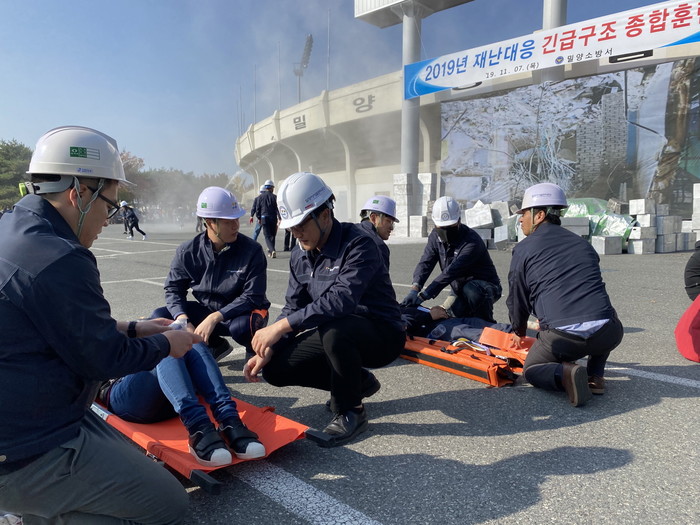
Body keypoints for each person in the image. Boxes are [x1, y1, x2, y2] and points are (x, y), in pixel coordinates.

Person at [0, 126, 201, 523]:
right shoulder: (60, 257)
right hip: (25, 445)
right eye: (109, 205)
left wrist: (133, 327)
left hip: (27, 411)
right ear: (80, 193)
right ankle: (28, 509)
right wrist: (168, 344)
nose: (109, 220)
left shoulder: (13, 227)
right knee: (169, 505)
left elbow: (52, 321)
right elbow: (104, 359)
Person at [244, 172, 405, 447]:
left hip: (381, 334)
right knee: (275, 368)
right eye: (291, 228)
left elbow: (341, 300)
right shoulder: (300, 253)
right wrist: (271, 345)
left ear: (325, 214)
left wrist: (279, 327)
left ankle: (351, 411)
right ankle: (359, 382)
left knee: (334, 328)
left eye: (301, 225)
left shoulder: (359, 243)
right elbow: (294, 305)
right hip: (339, 330)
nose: (297, 234)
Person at [507, 182, 624, 407]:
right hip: (608, 334)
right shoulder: (582, 244)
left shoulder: (524, 248)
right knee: (606, 312)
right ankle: (595, 376)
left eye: (524, 214)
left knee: (532, 370)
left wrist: (518, 330)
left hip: (563, 340)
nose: (520, 220)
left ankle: (567, 374)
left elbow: (517, 297)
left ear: (539, 215)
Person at [151, 186, 271, 360]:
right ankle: (216, 344)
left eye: (236, 219)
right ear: (209, 222)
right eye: (228, 221)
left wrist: (214, 318)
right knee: (161, 317)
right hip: (208, 310)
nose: (236, 225)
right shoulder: (188, 251)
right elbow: (173, 289)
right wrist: (183, 320)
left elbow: (253, 296)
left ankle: (253, 348)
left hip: (242, 313)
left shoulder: (252, 250)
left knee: (243, 327)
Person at [101, 340, 265, 467]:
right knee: (165, 346)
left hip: (167, 394)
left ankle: (229, 420)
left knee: (190, 340)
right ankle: (198, 427)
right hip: (122, 391)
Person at [401, 195, 502, 322]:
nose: (446, 232)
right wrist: (415, 289)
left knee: (472, 292)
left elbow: (451, 272)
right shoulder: (435, 237)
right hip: (459, 289)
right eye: (442, 228)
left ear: (459, 220)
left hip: (484, 288)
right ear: (435, 224)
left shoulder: (471, 242)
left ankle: (486, 323)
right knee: (447, 317)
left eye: (450, 227)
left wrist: (424, 296)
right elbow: (426, 262)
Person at [357, 195, 399, 270]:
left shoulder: (348, 235)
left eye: (392, 223)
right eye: (389, 221)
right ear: (373, 218)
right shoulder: (378, 246)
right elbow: (382, 277)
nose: (391, 228)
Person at [256, 179, 280, 258]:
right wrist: (280, 218)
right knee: (272, 235)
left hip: (264, 217)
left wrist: (259, 217)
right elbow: (277, 209)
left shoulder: (260, 197)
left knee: (267, 236)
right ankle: (271, 251)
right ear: (272, 188)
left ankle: (272, 250)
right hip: (273, 218)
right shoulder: (275, 197)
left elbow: (258, 209)